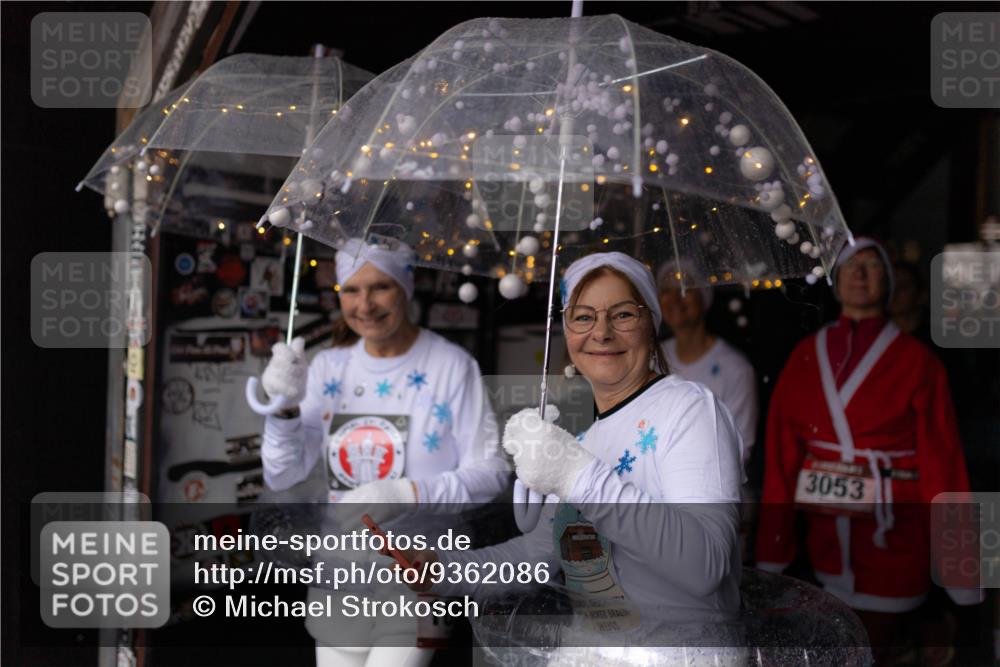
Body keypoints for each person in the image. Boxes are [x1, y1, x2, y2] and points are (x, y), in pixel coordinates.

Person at [393, 252, 744, 659]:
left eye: (623, 314)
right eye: (582, 317)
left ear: (651, 322)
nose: (601, 333)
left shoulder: (689, 409)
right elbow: (533, 557)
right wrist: (440, 570)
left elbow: (703, 566)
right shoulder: (586, 439)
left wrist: (579, 476)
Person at [258, 238, 508, 667]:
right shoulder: (326, 368)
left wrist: (407, 492)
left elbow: (492, 473)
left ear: (407, 287)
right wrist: (282, 409)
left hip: (415, 577)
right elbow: (282, 473)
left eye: (380, 287)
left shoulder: (451, 366)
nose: (365, 304)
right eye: (351, 290)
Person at [755, 238, 982, 660]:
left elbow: (944, 465)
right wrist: (774, 546)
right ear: (835, 280)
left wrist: (958, 565)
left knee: (880, 646)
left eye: (872, 265)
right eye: (849, 265)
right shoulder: (805, 356)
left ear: (889, 281)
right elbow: (782, 459)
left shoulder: (919, 361)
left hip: (895, 536)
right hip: (822, 540)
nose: (859, 273)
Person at [656, 261, 758, 468]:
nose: (675, 298)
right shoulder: (653, 358)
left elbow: (742, 447)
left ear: (703, 296)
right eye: (666, 290)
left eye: (686, 288)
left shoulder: (735, 368)